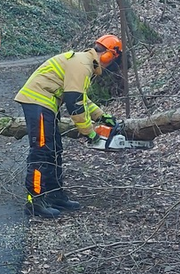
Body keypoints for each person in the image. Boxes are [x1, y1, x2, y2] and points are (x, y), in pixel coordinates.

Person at [14, 34, 123, 218]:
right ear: (108, 55)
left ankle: (55, 195)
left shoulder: (83, 62)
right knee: (41, 151)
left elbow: (81, 98)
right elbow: (74, 104)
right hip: (38, 101)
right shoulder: (82, 64)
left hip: (46, 104)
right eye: (112, 58)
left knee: (54, 150)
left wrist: (102, 117)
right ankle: (35, 201)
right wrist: (90, 133)